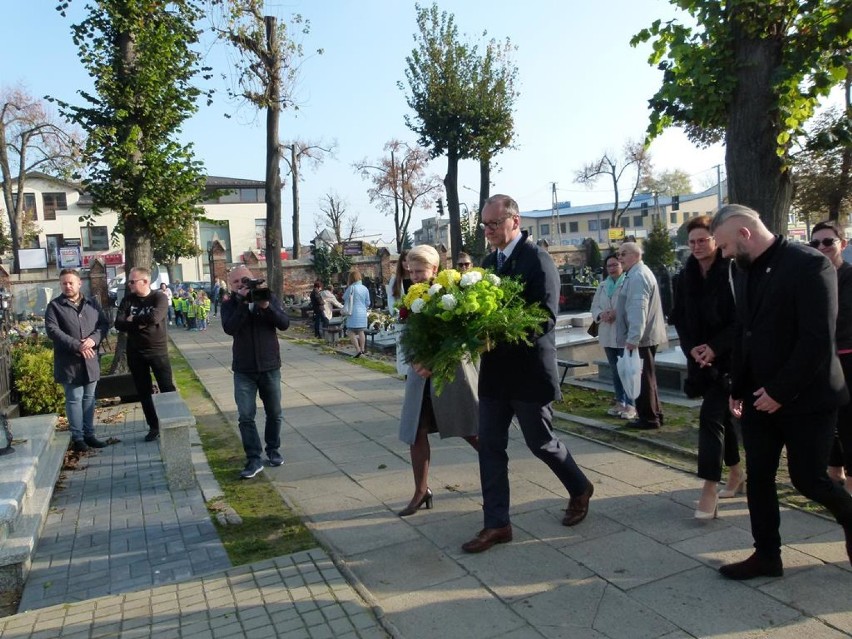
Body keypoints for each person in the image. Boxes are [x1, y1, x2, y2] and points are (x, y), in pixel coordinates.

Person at [710, 204, 852, 579]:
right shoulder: (740, 269)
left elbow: (817, 339)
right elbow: (745, 331)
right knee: (759, 476)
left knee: (810, 480)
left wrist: (780, 391)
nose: (721, 253)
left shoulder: (808, 264)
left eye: (723, 245)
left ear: (744, 233)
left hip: (808, 396)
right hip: (758, 397)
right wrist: (737, 388)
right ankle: (767, 556)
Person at [461, 194, 594, 554]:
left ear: (514, 222)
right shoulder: (490, 262)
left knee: (541, 443)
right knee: (489, 446)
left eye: (494, 224)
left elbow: (546, 318)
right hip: (494, 374)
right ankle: (497, 524)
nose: (488, 231)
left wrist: (501, 329)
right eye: (484, 225)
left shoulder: (538, 259)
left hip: (528, 372)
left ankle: (579, 487)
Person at [669, 215, 742, 520]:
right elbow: (681, 320)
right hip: (701, 360)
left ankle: (709, 487)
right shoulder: (684, 277)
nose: (697, 246)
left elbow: (742, 320)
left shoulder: (733, 272)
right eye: (692, 241)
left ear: (715, 240)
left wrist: (714, 348)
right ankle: (736, 473)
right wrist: (695, 351)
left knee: (710, 417)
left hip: (730, 359)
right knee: (721, 415)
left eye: (703, 240)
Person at [397, 245, 479, 516]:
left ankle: (496, 468)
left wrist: (435, 360)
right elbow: (407, 332)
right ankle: (421, 491)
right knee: (415, 431)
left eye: (420, 271)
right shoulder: (411, 296)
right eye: (411, 271)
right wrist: (415, 359)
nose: (415, 277)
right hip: (419, 374)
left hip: (449, 372)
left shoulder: (451, 293)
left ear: (435, 269)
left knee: (469, 428)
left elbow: (460, 335)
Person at [221, 265, 290, 479]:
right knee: (245, 416)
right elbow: (230, 328)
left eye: (245, 280)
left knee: (275, 412)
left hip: (269, 366)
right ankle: (253, 458)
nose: (242, 285)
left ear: (253, 279)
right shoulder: (229, 304)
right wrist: (242, 303)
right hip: (244, 369)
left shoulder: (266, 297)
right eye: (236, 283)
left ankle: (273, 450)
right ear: (231, 286)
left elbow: (284, 324)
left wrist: (266, 306)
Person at [44, 269, 110, 452]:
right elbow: (52, 330)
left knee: (89, 398)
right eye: (64, 283)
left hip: (90, 361)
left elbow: (104, 324)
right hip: (69, 362)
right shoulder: (55, 306)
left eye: (71, 282)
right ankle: (78, 437)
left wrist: (93, 340)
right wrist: (77, 345)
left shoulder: (92, 303)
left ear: (79, 283)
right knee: (74, 399)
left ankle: (90, 435)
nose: (67, 286)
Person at [810, 221, 852, 495]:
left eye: (828, 242)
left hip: (848, 358)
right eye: (815, 244)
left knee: (849, 420)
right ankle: (834, 468)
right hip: (822, 360)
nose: (822, 248)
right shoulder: (812, 277)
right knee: (829, 418)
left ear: (842, 244)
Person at [114, 266, 177, 442]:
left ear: (146, 281)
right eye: (129, 282)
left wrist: (132, 319)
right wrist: (139, 322)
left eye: (133, 282)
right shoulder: (128, 300)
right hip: (135, 352)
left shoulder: (159, 297)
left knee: (167, 388)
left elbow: (154, 318)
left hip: (157, 351)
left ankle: (173, 423)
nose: (130, 285)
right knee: (143, 391)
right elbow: (118, 323)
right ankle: (154, 426)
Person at [615, 242, 668, 430]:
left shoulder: (638, 276)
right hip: (644, 336)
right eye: (618, 254)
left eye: (623, 254)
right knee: (647, 377)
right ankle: (655, 413)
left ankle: (648, 418)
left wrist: (633, 339)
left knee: (642, 378)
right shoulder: (635, 274)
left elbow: (638, 309)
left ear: (636, 255)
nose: (619, 257)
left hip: (642, 338)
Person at [590, 254, 633, 419]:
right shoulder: (602, 286)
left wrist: (617, 313)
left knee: (627, 371)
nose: (612, 269)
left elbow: (632, 306)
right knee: (615, 371)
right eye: (609, 266)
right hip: (607, 333)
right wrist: (601, 315)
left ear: (621, 266)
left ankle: (631, 404)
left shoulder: (627, 283)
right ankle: (620, 402)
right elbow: (594, 307)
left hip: (622, 333)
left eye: (615, 265)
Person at [386, 252, 411, 376]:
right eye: (404, 260)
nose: (407, 264)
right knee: (404, 351)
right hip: (402, 320)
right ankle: (406, 375)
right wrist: (398, 312)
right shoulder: (395, 281)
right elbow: (391, 300)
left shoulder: (416, 278)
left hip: (416, 319)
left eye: (409, 260)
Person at [343, 268, 370, 358]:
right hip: (362, 312)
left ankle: (358, 350)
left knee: (350, 331)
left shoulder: (351, 288)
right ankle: (362, 350)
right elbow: (368, 302)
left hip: (353, 312)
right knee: (361, 331)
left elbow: (345, 298)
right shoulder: (365, 288)